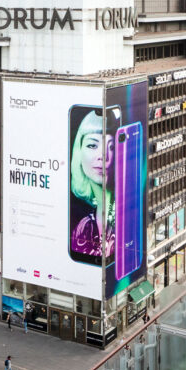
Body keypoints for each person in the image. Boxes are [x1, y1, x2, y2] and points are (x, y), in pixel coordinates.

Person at [70, 109, 116, 258]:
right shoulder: (83, 226)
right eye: (92, 146)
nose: (103, 157)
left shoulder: (127, 213)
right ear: (79, 152)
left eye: (111, 147)